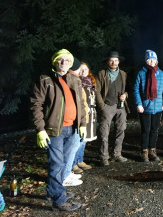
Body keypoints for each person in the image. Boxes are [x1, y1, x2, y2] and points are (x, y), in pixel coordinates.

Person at [31, 49, 86, 211]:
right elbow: (36, 105)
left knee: (65, 163)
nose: (63, 62)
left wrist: (82, 124)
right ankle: (59, 200)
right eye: (60, 60)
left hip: (73, 129)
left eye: (67, 60)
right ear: (54, 62)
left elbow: (81, 105)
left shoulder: (74, 80)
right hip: (54, 130)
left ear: (70, 63)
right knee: (56, 163)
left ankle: (53, 191)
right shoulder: (45, 80)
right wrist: (40, 130)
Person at [96, 51, 130, 166]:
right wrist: (102, 106)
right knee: (104, 132)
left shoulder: (123, 74)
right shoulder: (101, 74)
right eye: (111, 60)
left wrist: (125, 95)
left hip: (121, 107)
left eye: (115, 60)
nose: (113, 62)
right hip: (107, 106)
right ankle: (104, 156)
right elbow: (96, 91)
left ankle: (117, 154)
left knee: (121, 130)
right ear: (107, 62)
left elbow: (127, 90)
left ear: (119, 61)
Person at [133, 50, 163, 162]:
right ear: (146, 60)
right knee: (146, 130)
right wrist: (139, 103)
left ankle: (152, 150)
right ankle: (144, 151)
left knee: (155, 130)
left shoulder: (161, 73)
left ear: (156, 60)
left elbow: (162, 91)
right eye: (149, 59)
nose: (152, 62)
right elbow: (136, 89)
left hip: (157, 107)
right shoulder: (141, 73)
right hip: (145, 106)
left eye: (153, 59)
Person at [72, 62, 97, 174]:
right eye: (81, 70)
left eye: (85, 69)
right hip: (81, 114)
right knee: (78, 139)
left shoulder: (90, 82)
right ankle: (73, 163)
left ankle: (80, 160)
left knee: (85, 139)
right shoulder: (76, 82)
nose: (83, 72)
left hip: (91, 113)